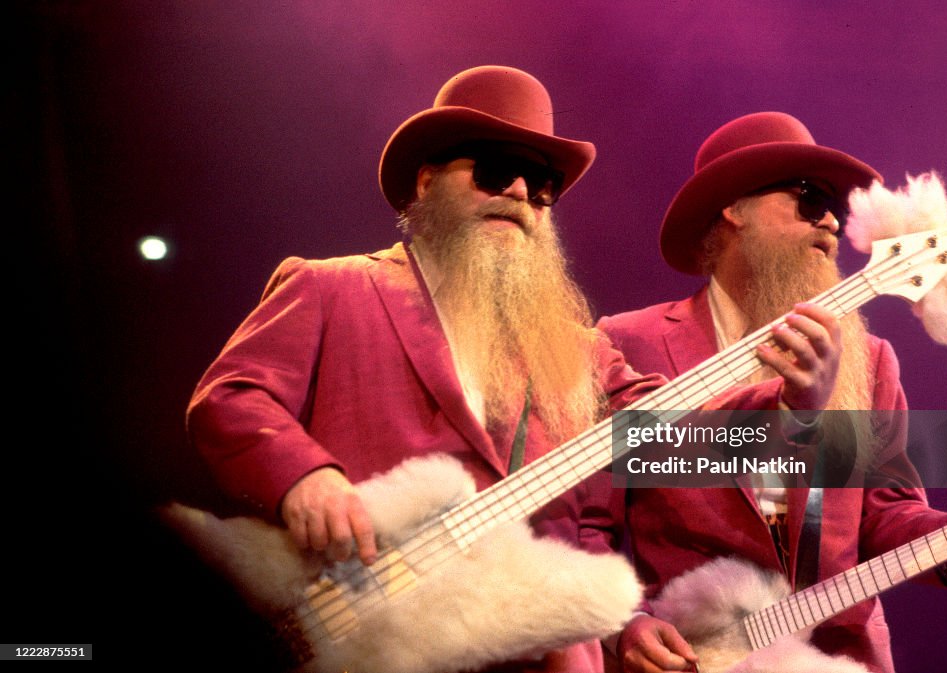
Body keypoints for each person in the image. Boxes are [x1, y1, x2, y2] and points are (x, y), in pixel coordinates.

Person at [185, 64, 676, 673]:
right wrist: (305, 479)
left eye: (542, 183)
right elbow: (231, 395)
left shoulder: (579, 351)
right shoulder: (330, 288)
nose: (519, 192)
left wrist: (790, 403)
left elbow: (689, 447)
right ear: (427, 182)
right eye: (496, 169)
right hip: (375, 638)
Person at [576, 112, 947, 673]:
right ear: (734, 208)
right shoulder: (627, 343)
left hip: (837, 656)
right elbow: (587, 523)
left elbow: (885, 511)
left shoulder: (870, 358)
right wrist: (624, 623)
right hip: (690, 656)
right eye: (811, 200)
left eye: (836, 209)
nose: (833, 223)